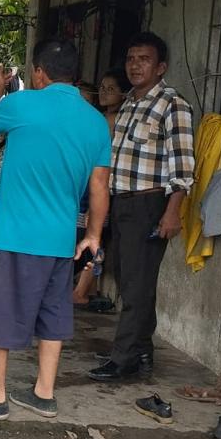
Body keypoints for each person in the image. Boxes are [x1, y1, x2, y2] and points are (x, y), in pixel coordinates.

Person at [0, 40, 111, 420]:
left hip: (16, 236)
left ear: (39, 73)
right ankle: (43, 394)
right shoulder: (95, 122)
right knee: (54, 316)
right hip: (61, 242)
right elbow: (100, 186)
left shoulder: (22, 105)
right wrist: (93, 235)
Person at [88, 32, 195, 382]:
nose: (135, 66)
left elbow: (183, 165)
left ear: (161, 67)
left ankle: (123, 358)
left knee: (136, 286)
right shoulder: (130, 103)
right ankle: (142, 349)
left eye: (144, 59)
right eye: (131, 59)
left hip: (149, 204)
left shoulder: (172, 105)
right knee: (131, 280)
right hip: (122, 203)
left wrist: (172, 211)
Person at [72, 69, 132, 308]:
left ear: (124, 94)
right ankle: (83, 289)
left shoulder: (112, 120)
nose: (105, 92)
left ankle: (80, 291)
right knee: (89, 237)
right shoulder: (102, 118)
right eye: (103, 88)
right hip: (93, 185)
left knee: (92, 239)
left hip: (99, 186)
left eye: (111, 89)